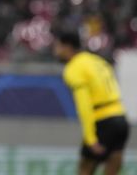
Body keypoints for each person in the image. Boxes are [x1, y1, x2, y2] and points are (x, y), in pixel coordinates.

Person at [53, 32, 129, 175]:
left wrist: (90, 138)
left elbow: (84, 105)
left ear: (67, 47)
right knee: (112, 169)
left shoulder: (74, 67)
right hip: (121, 119)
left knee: (85, 168)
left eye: (57, 47)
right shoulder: (97, 61)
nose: (55, 51)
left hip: (103, 121)